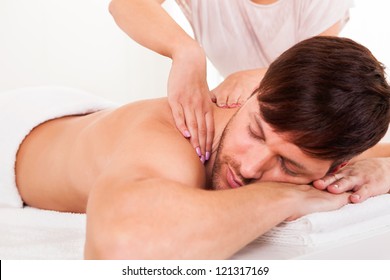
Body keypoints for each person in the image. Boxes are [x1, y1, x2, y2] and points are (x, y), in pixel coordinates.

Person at [4, 37, 390, 259]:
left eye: (288, 166)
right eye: (255, 132)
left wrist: (382, 170)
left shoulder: (314, 143)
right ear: (252, 93)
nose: (252, 167)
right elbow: (118, 248)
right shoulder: (173, 141)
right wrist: (283, 196)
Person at [109, 0, 353, 162]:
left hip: (314, 112)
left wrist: (254, 76)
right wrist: (186, 51)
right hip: (241, 113)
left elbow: (315, 68)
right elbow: (126, 5)